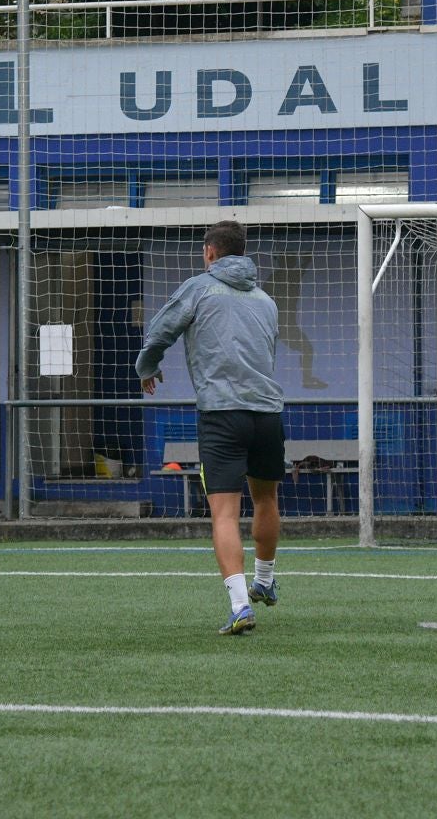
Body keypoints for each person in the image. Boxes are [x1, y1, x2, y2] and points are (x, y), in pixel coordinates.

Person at [137, 219, 285, 635]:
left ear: (210, 252)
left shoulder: (199, 288)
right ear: (243, 252)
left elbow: (160, 331)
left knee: (224, 512)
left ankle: (240, 606)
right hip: (267, 414)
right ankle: (265, 580)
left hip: (222, 414)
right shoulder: (266, 301)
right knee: (266, 499)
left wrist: (147, 366)